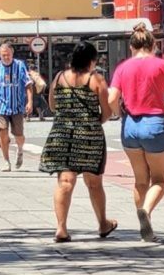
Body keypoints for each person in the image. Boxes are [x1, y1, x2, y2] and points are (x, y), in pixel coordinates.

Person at [108, 23, 164, 242]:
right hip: (155, 125)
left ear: (131, 46)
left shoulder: (122, 68)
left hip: (130, 126)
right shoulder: (163, 66)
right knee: (160, 180)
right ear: (153, 45)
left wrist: (120, 113)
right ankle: (146, 210)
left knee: (140, 181)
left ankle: (145, 227)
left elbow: (111, 98)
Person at [40, 42, 117, 242]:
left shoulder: (59, 77)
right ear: (91, 60)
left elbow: (53, 106)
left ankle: (61, 228)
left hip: (62, 134)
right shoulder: (96, 79)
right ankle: (103, 224)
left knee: (65, 182)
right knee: (94, 183)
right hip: (89, 137)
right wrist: (92, 121)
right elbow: (107, 112)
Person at [0, 43, 32, 171]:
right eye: (3, 55)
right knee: (3, 133)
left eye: (8, 55)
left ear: (12, 54)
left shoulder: (20, 65)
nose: (6, 57)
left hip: (17, 106)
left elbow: (28, 84)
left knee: (19, 135)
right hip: (0, 106)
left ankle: (20, 150)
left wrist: (29, 102)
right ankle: (6, 161)